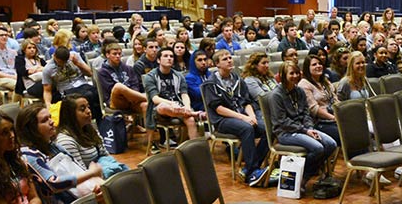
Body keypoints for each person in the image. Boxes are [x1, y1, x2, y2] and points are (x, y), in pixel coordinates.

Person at [202, 50, 269, 184]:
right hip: (222, 120)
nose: (229, 60)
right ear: (217, 64)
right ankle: (253, 170)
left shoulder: (238, 79)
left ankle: (249, 168)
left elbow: (246, 102)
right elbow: (218, 109)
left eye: (230, 58)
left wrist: (251, 115)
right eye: (225, 59)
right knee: (246, 128)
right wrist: (243, 118)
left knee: (268, 129)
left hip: (242, 116)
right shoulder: (210, 83)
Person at [15, 103, 105, 203]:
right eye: (45, 120)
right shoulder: (29, 155)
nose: (52, 122)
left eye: (50, 117)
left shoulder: (54, 146)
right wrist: (91, 173)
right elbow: (54, 184)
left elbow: (78, 169)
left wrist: (94, 184)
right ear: (31, 129)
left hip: (83, 197)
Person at [270, 59, 337, 189]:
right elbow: (282, 121)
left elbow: (306, 113)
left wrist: (310, 128)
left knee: (331, 144)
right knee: (318, 148)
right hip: (285, 132)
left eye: (296, 73)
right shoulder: (276, 95)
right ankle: (303, 178)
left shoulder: (299, 91)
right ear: (283, 76)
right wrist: (306, 131)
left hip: (304, 129)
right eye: (291, 73)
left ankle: (304, 174)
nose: (295, 76)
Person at [53, 96, 128, 180]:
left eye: (88, 107)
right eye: (82, 109)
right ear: (70, 115)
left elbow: (104, 154)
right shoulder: (65, 141)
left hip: (99, 173)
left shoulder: (89, 128)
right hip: (88, 181)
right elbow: (80, 172)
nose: (88, 111)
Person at [142, 49, 203, 143]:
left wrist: (187, 106)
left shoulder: (179, 75)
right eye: (165, 56)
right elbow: (155, 99)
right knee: (163, 107)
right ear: (158, 60)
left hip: (179, 107)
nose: (169, 58)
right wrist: (172, 103)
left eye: (171, 56)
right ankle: (194, 114)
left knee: (190, 120)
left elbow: (184, 94)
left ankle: (194, 149)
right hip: (158, 110)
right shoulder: (150, 77)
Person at [97, 41, 147, 118]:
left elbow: (135, 84)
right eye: (114, 54)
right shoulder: (102, 71)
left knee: (145, 106)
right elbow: (111, 90)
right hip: (114, 101)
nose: (118, 56)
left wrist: (132, 95)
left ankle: (149, 130)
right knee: (118, 86)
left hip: (132, 99)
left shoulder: (128, 68)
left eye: (119, 54)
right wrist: (131, 96)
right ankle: (149, 98)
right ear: (107, 55)